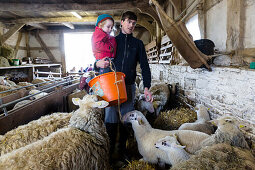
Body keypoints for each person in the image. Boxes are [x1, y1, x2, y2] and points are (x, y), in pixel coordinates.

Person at [95, 11, 153, 163]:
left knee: (127, 120)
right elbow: (98, 57)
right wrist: (96, 64)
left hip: (128, 86)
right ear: (121, 22)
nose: (131, 25)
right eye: (129, 22)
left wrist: (147, 87)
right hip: (111, 86)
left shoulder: (138, 44)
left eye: (134, 23)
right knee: (111, 119)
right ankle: (109, 152)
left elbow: (145, 67)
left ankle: (122, 151)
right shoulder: (112, 41)